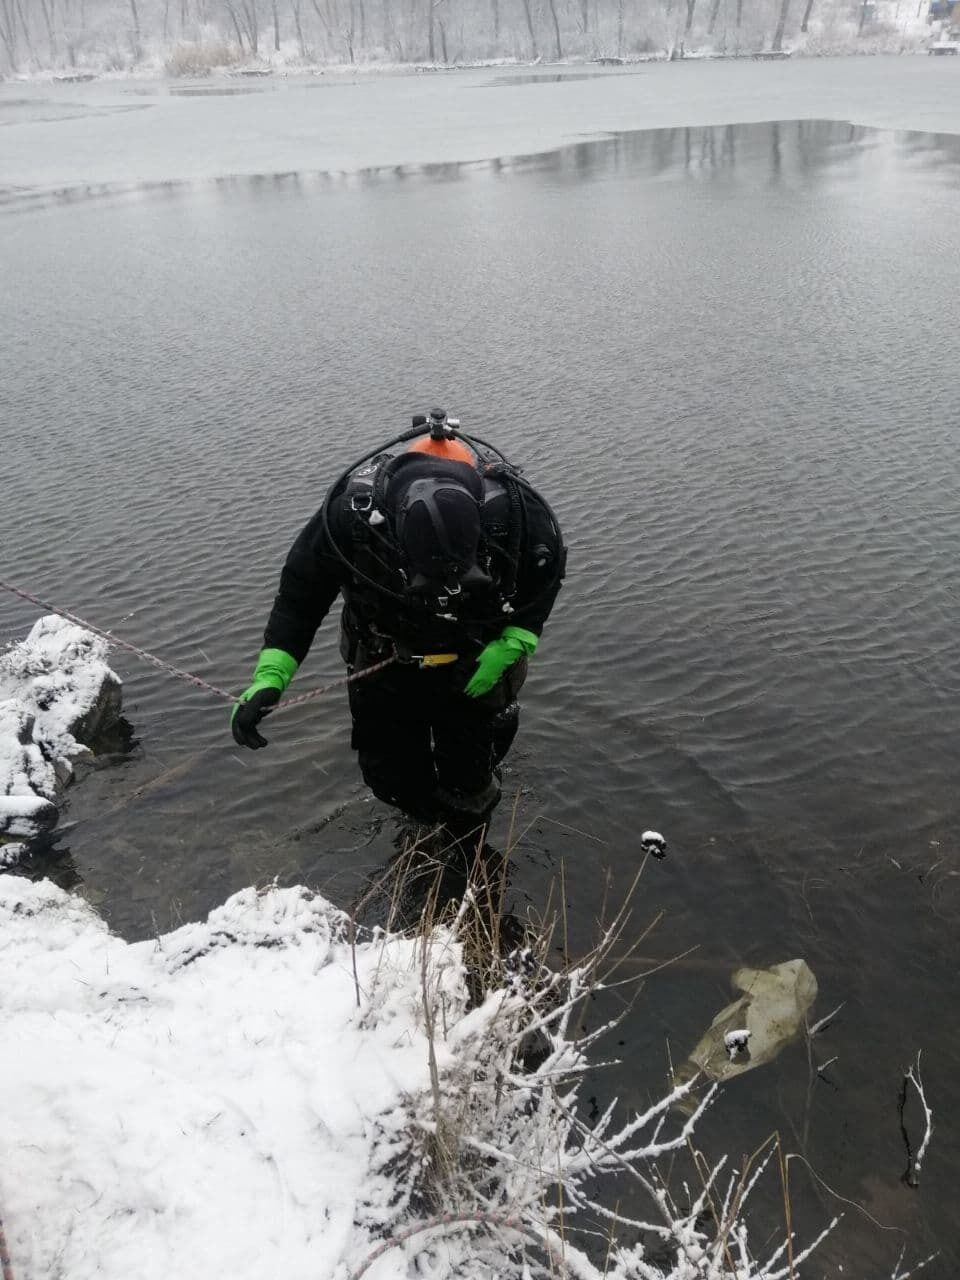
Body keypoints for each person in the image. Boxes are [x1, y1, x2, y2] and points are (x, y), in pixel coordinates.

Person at [231, 409, 566, 831]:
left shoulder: (514, 511)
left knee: (472, 783)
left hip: (477, 663)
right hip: (383, 663)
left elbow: (547, 571)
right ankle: (424, 834)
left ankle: (466, 853)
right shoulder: (350, 519)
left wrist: (518, 639)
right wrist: (271, 676)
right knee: (391, 781)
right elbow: (300, 596)